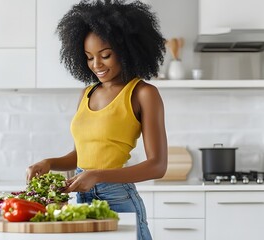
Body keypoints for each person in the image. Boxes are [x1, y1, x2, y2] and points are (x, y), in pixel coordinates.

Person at [26, 1, 167, 239]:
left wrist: (98, 175)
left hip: (117, 198)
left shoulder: (143, 93)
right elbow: (81, 156)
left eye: (105, 55)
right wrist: (48, 162)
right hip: (82, 199)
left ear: (126, 49)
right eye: (89, 57)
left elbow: (158, 166)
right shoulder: (87, 93)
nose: (96, 65)